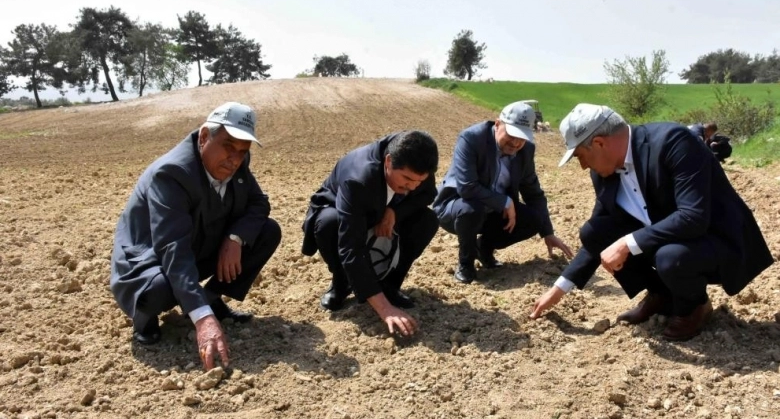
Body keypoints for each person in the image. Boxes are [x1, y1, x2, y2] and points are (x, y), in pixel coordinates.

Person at [531, 104, 772, 340]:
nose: (583, 166)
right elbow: (598, 234)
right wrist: (560, 288)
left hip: (716, 240)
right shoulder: (604, 172)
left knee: (669, 257)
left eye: (580, 157)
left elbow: (693, 217)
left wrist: (627, 243)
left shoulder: (673, 141)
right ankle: (661, 295)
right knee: (595, 232)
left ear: (599, 143)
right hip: (671, 240)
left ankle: (695, 307)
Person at [110, 102, 281, 369]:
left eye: (242, 151)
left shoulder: (237, 162)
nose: (234, 159)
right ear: (204, 137)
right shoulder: (172, 174)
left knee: (265, 232)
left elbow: (258, 203)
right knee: (159, 289)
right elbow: (172, 248)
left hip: (196, 240)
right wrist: (202, 320)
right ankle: (144, 318)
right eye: (228, 146)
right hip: (149, 259)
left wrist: (234, 238)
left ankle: (210, 299)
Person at [301, 131, 439, 337]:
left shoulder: (417, 159)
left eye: (418, 181)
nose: (411, 187)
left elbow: (427, 194)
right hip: (342, 215)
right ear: (389, 161)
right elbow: (350, 247)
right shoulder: (358, 178)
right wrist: (385, 310)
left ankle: (389, 287)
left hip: (383, 210)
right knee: (329, 224)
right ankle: (341, 284)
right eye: (407, 180)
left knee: (426, 221)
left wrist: (394, 212)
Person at [432, 101, 573, 284]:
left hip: (492, 211)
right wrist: (504, 202)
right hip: (457, 207)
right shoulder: (472, 138)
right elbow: (467, 187)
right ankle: (466, 263)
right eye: (511, 134)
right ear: (498, 124)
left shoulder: (526, 150)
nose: (515, 143)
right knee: (472, 209)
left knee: (535, 218)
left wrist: (547, 232)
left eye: (521, 138)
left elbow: (533, 192)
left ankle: (484, 249)